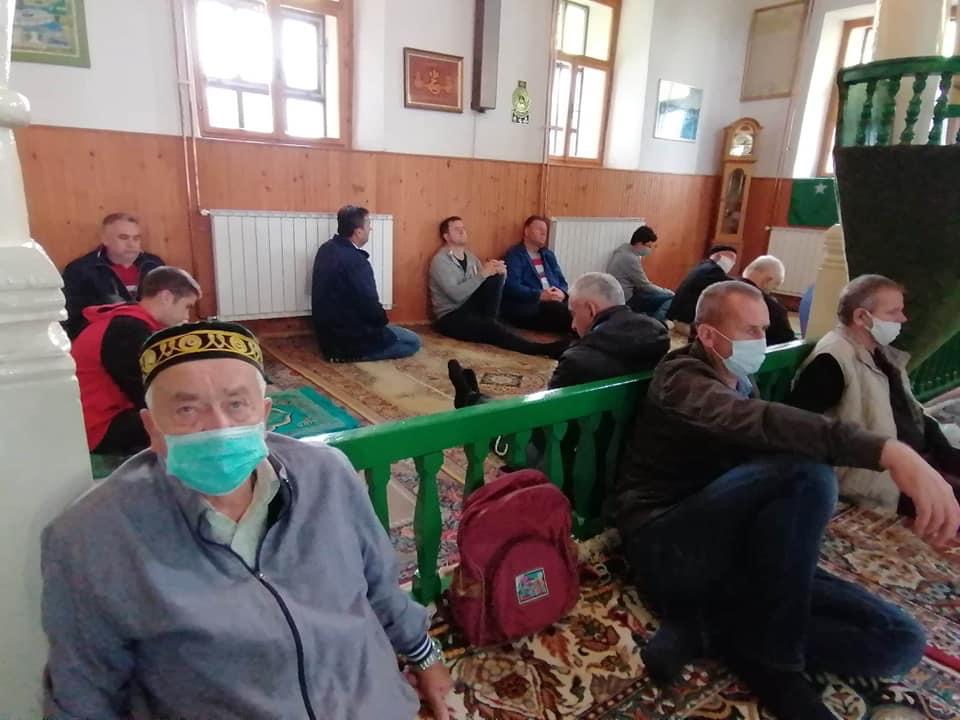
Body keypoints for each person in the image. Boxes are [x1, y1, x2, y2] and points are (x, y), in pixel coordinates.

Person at [42, 321, 453, 719]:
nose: (219, 428)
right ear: (152, 427)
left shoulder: (327, 475)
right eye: (187, 409)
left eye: (236, 404)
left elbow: (380, 586)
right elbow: (84, 690)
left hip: (372, 703)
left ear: (265, 414)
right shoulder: (93, 535)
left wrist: (426, 658)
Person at [615, 280, 959, 720]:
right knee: (804, 473)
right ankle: (774, 663)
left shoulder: (741, 379)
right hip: (669, 542)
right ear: (707, 335)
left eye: (764, 328)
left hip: (734, 549)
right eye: (750, 330)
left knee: (900, 640)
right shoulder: (680, 379)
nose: (761, 340)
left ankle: (717, 630)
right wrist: (887, 452)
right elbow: (758, 422)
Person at [789, 274, 960, 514]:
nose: (903, 318)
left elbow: (911, 412)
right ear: (861, 317)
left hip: (914, 462)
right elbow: (800, 427)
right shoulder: (831, 360)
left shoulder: (881, 353)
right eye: (893, 312)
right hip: (884, 481)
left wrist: (947, 455)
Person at [449, 272, 669, 404]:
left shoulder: (578, 360)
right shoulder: (659, 339)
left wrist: (481, 403)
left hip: (580, 449)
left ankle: (471, 400)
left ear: (591, 310)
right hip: (630, 440)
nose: (572, 325)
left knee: (510, 425)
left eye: (573, 314)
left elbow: (545, 417)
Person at [71, 266, 201, 455]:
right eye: (187, 306)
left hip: (110, 415)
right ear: (166, 297)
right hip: (100, 428)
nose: (187, 317)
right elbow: (147, 393)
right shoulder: (127, 330)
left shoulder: (131, 322)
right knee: (192, 416)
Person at [429, 216, 568, 358]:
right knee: (491, 328)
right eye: (456, 229)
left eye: (463, 228)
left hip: (471, 309)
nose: (462, 231)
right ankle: (541, 349)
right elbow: (456, 296)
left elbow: (483, 285)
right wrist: (483, 273)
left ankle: (493, 320)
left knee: (496, 276)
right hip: (451, 315)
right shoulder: (440, 261)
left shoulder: (470, 257)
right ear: (446, 236)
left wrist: (502, 274)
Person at [312, 205, 421, 362]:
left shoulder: (326, 248)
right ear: (358, 232)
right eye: (368, 225)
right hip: (349, 338)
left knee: (400, 334)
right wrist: (382, 324)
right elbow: (370, 304)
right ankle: (350, 356)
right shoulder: (356, 261)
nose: (371, 229)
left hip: (327, 336)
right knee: (413, 342)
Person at [61, 213, 165, 339]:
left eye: (136, 238)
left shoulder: (154, 265)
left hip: (154, 337)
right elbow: (71, 319)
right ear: (105, 239)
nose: (131, 244)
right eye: (123, 237)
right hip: (105, 340)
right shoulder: (80, 270)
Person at [501, 215, 573, 333]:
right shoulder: (515, 255)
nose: (544, 233)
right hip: (530, 304)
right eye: (539, 229)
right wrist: (540, 295)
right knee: (560, 311)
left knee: (580, 304)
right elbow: (511, 286)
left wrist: (562, 293)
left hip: (553, 300)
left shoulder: (548, 255)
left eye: (545, 231)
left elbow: (562, 281)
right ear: (526, 231)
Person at [606, 225, 674, 322]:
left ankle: (646, 320)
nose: (650, 250)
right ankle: (655, 325)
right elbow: (645, 286)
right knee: (670, 299)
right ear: (639, 243)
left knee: (653, 297)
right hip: (627, 299)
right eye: (648, 246)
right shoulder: (630, 258)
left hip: (620, 294)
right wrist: (666, 291)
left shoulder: (624, 249)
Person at [666, 244, 738, 333]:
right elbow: (733, 285)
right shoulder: (712, 270)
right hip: (686, 324)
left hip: (678, 319)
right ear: (718, 256)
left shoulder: (704, 266)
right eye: (731, 258)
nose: (733, 263)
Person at [741, 254, 796, 345]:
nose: (775, 289)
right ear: (767, 281)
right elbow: (787, 343)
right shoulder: (772, 308)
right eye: (776, 284)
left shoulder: (722, 288)